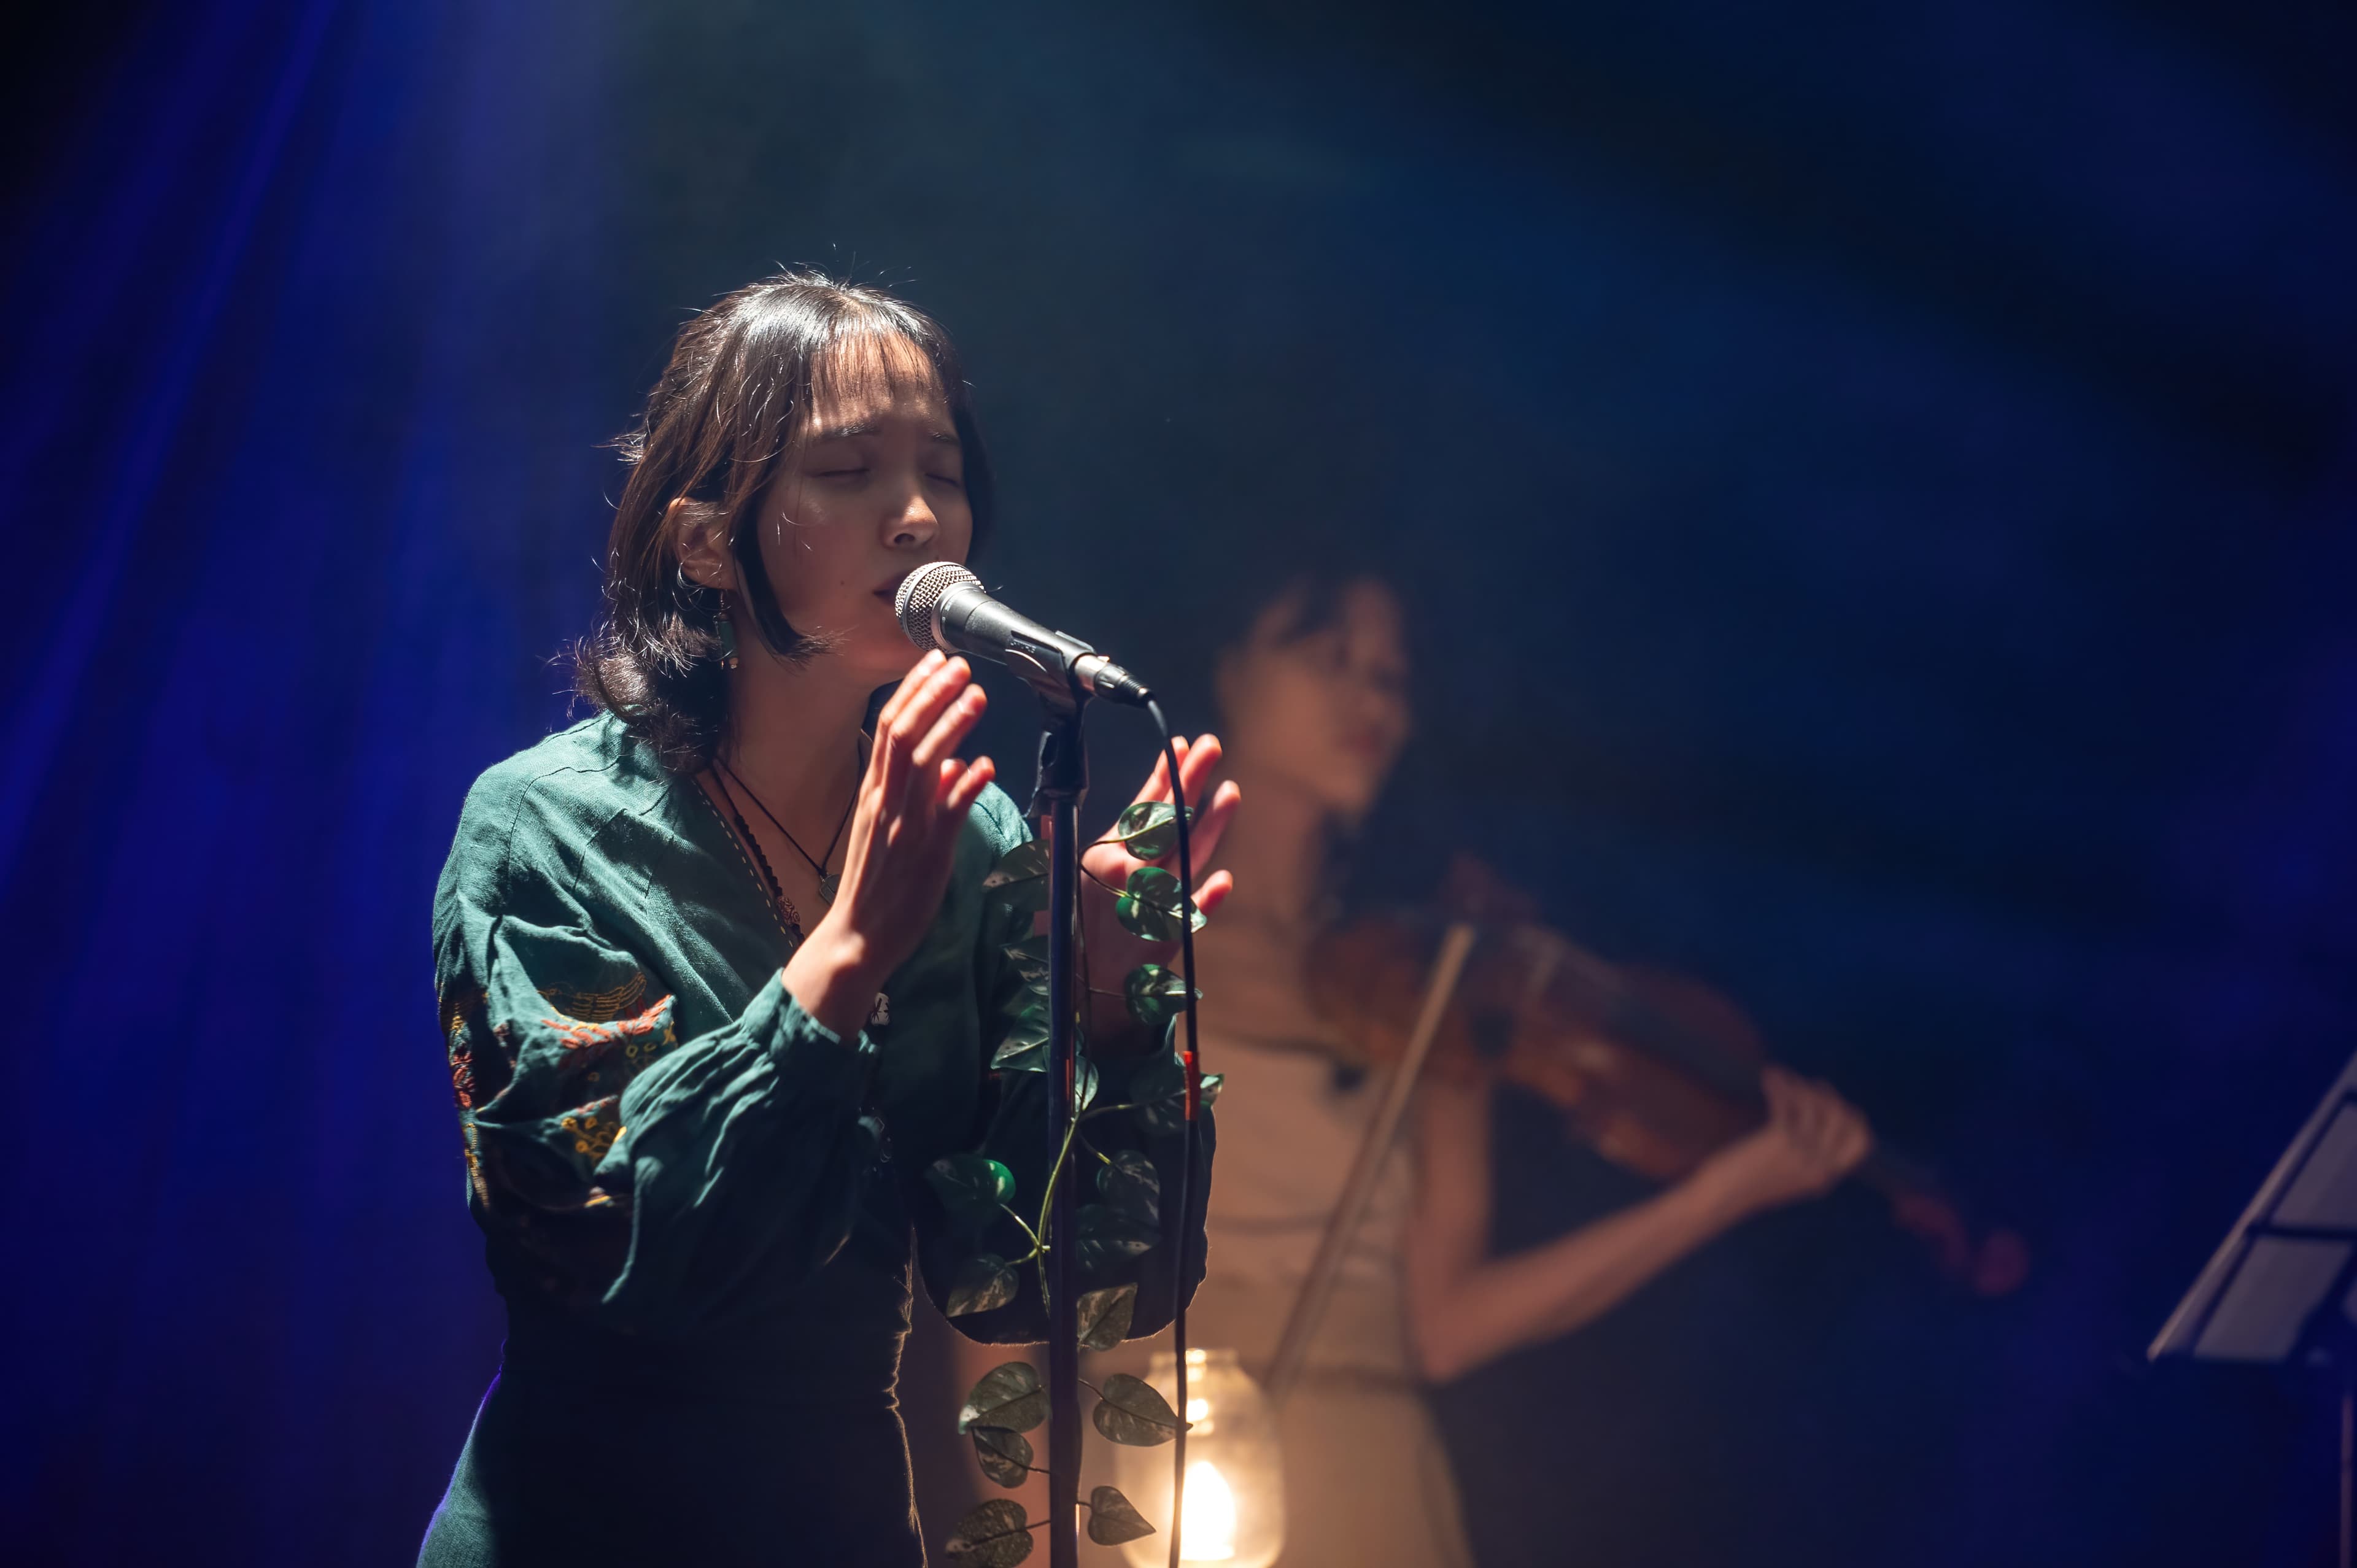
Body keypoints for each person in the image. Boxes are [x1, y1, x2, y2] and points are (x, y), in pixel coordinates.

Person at [416, 272, 1240, 1567]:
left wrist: (1108, 1005)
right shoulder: (545, 829)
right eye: (849, 471)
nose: (920, 518)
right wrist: (846, 955)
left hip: (838, 1520)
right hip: (580, 1522)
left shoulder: (972, 840)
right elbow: (620, 1253)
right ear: (704, 543)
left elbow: (1037, 1286)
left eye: (943, 472)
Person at [940, 570, 1873, 1566]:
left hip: (1373, 1487)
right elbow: (995, 1269)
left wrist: (1726, 1191)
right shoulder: (1114, 937)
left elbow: (1445, 1325)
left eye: (1392, 676)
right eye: (1330, 656)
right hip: (1155, 1486)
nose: (1374, 700)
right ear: (1230, 667)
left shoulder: (1425, 985)